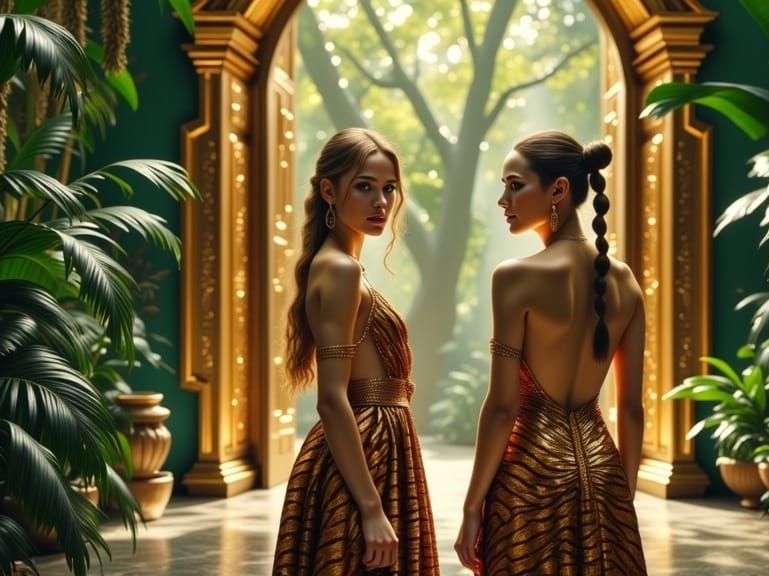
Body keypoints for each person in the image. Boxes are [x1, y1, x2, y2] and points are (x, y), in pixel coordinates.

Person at [454, 130, 647, 575]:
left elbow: (504, 408)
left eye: (515, 185)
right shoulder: (627, 283)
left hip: (529, 481)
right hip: (602, 474)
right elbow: (632, 408)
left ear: (558, 189)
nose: (504, 199)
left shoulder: (515, 278)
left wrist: (471, 507)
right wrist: (622, 496)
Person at [273, 128, 439, 575]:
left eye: (388, 189)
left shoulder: (341, 266)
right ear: (329, 190)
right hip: (365, 456)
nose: (380, 201)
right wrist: (369, 507)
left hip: (379, 449)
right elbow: (331, 398)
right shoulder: (341, 271)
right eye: (364, 186)